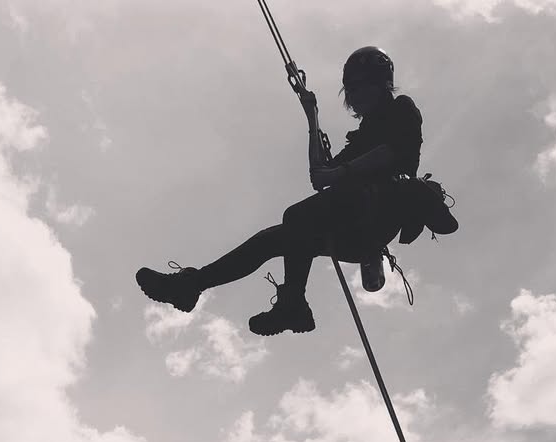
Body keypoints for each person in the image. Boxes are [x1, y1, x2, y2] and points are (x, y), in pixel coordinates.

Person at [136, 47, 449, 336]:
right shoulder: (359, 139)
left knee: (297, 216)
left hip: (380, 213)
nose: (355, 94)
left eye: (362, 85)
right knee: (272, 239)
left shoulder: (401, 110)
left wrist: (342, 172)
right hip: (355, 227)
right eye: (351, 88)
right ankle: (193, 285)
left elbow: (391, 152)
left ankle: (293, 305)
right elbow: (319, 176)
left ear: (382, 85)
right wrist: (311, 117)